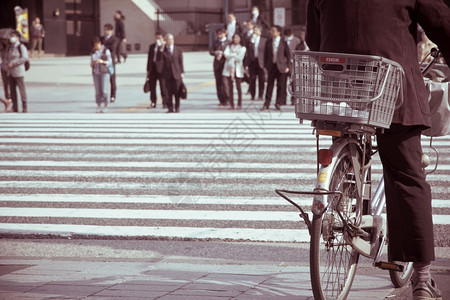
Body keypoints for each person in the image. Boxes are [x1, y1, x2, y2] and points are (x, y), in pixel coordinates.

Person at [306, 1, 450, 299]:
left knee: (347, 126)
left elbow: (313, 37)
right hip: (392, 86)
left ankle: (345, 182)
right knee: (408, 175)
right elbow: (442, 23)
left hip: (339, 86)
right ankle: (422, 278)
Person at [262, 25, 291, 111]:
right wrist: (264, 66)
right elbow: (265, 55)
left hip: (281, 67)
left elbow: (288, 55)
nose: (272, 32)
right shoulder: (268, 41)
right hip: (271, 66)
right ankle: (266, 104)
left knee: (281, 86)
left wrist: (288, 66)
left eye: (274, 31)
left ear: (278, 32)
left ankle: (278, 103)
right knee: (269, 85)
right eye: (271, 30)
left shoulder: (283, 41)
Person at [158, 33, 184, 113]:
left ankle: (177, 107)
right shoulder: (163, 50)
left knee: (177, 92)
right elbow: (159, 60)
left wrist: (182, 72)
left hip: (176, 73)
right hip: (167, 74)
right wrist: (161, 50)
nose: (171, 41)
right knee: (168, 92)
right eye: (169, 39)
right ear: (165, 41)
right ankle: (170, 108)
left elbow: (180, 62)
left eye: (172, 39)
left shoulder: (178, 49)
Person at [5, 31, 28, 113]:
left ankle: (24, 106)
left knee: (21, 89)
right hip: (10, 72)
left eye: (13, 36)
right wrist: (6, 63)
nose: (12, 38)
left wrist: (14, 63)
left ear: (18, 38)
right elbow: (6, 58)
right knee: (12, 90)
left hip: (18, 71)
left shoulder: (21, 47)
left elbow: (24, 58)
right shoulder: (9, 47)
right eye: (11, 36)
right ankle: (15, 107)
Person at [222, 33, 246, 110]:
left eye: (237, 38)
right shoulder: (229, 46)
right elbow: (225, 54)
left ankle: (239, 104)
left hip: (237, 69)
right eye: (234, 38)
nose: (235, 39)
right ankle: (231, 104)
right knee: (230, 87)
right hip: (229, 69)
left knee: (238, 88)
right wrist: (234, 55)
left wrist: (231, 56)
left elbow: (240, 58)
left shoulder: (242, 48)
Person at [90, 37, 113, 113]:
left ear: (100, 43)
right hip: (96, 72)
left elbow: (110, 62)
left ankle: (106, 106)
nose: (96, 47)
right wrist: (93, 62)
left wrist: (102, 61)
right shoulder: (93, 52)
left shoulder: (106, 51)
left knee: (104, 90)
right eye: (95, 45)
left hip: (104, 72)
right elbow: (91, 64)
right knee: (97, 91)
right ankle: (98, 106)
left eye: (97, 45)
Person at [210, 28, 229, 106]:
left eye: (221, 34)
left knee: (225, 83)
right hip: (217, 65)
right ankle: (221, 100)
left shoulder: (229, 42)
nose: (220, 35)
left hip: (225, 64)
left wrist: (223, 54)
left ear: (225, 33)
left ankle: (227, 99)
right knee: (218, 83)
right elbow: (210, 51)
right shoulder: (216, 42)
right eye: (218, 34)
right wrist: (215, 53)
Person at [146, 31, 165, 109]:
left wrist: (161, 48)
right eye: (157, 37)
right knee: (152, 86)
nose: (158, 39)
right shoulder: (152, 46)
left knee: (163, 86)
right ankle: (153, 101)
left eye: (159, 38)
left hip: (161, 69)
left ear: (162, 38)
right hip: (152, 68)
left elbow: (164, 57)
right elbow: (149, 58)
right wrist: (148, 69)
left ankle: (165, 101)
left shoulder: (164, 47)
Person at [247, 26, 266, 101]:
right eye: (254, 30)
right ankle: (252, 95)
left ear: (260, 32)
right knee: (252, 79)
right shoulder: (251, 40)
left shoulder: (264, 40)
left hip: (261, 62)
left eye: (256, 30)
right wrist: (250, 41)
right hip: (253, 62)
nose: (255, 31)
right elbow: (248, 50)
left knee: (261, 79)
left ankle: (260, 95)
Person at [102, 23, 118, 103]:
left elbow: (113, 48)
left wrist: (104, 46)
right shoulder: (102, 38)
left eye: (107, 30)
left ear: (111, 30)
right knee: (103, 79)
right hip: (102, 62)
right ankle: (103, 95)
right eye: (104, 29)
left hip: (111, 62)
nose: (105, 31)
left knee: (112, 79)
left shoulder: (114, 39)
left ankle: (113, 95)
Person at [0, 38, 12, 111]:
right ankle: (6, 101)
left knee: (10, 86)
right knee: (5, 86)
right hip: (3, 68)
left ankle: (8, 100)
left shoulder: (11, 48)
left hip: (10, 68)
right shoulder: (2, 50)